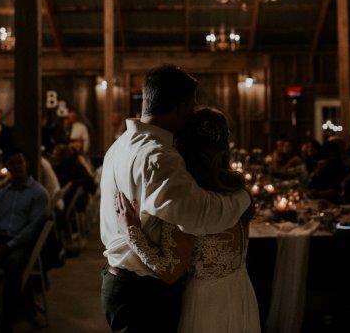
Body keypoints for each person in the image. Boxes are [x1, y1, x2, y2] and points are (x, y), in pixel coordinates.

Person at [100, 65, 250, 333]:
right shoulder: (160, 157)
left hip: (119, 281)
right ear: (181, 107)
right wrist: (242, 199)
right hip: (143, 293)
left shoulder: (120, 144)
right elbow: (199, 216)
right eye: (191, 105)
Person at [0, 152, 49, 330]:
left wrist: (7, 247)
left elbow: (31, 229)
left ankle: (7, 320)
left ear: (26, 164)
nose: (17, 167)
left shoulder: (38, 193)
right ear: (7, 168)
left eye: (19, 162)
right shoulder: (2, 194)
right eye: (12, 164)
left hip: (21, 244)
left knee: (13, 264)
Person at [51, 143, 94, 211]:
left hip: (72, 203)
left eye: (54, 155)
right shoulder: (76, 163)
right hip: (78, 202)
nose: (52, 156)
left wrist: (71, 184)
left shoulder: (64, 168)